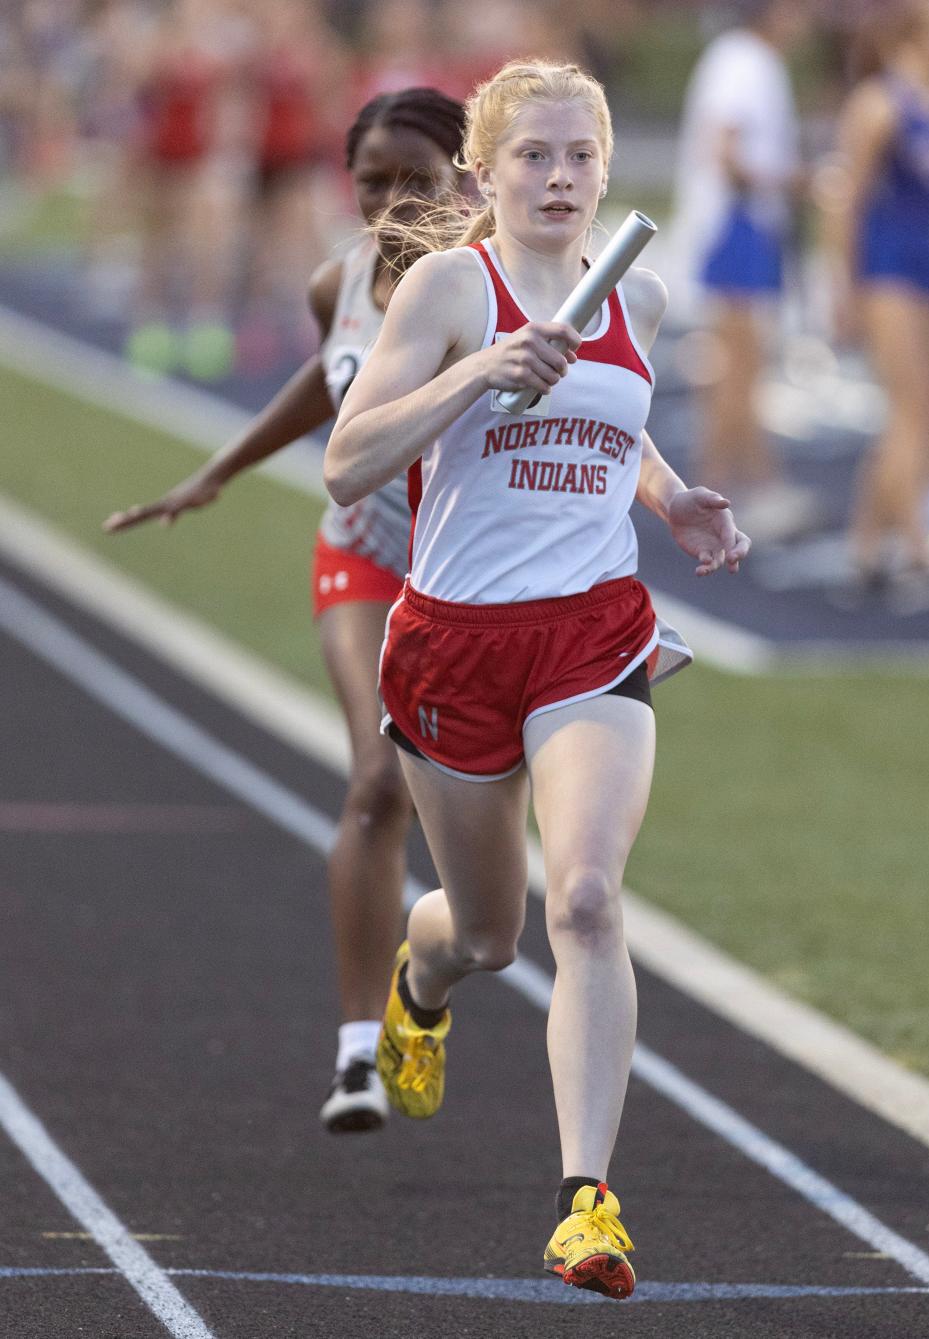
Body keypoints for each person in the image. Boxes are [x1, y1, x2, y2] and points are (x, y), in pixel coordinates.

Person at [324, 59, 750, 1299]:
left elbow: (618, 422)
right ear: (483, 173)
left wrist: (672, 500)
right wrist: (480, 370)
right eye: (533, 157)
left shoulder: (642, 294)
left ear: (607, 170)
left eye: (578, 157)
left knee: (588, 904)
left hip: (591, 632)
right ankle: (421, 977)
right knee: (493, 933)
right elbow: (351, 466)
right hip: (453, 641)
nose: (559, 179)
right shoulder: (454, 287)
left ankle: (586, 1207)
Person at [103, 87, 469, 1133]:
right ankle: (359, 1053)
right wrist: (215, 470)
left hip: (473, 581)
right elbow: (329, 375)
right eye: (373, 182)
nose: (395, 200)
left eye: (418, 180)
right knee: (373, 778)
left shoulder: (492, 286)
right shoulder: (338, 279)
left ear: (464, 179)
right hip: (363, 560)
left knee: (485, 875)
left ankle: (424, 988)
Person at [670, 0, 816, 543]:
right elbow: (728, 151)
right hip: (736, 224)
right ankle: (754, 485)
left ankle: (723, 485)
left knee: (735, 363)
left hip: (738, 224)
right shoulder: (747, 62)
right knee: (742, 362)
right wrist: (795, 179)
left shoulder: (739, 57)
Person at [828, 0, 929, 592]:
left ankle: (864, 544)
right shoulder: (883, 103)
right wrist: (844, 288)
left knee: (926, 411)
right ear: (919, 37)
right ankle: (913, 543)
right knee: (912, 410)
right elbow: (846, 200)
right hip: (888, 272)